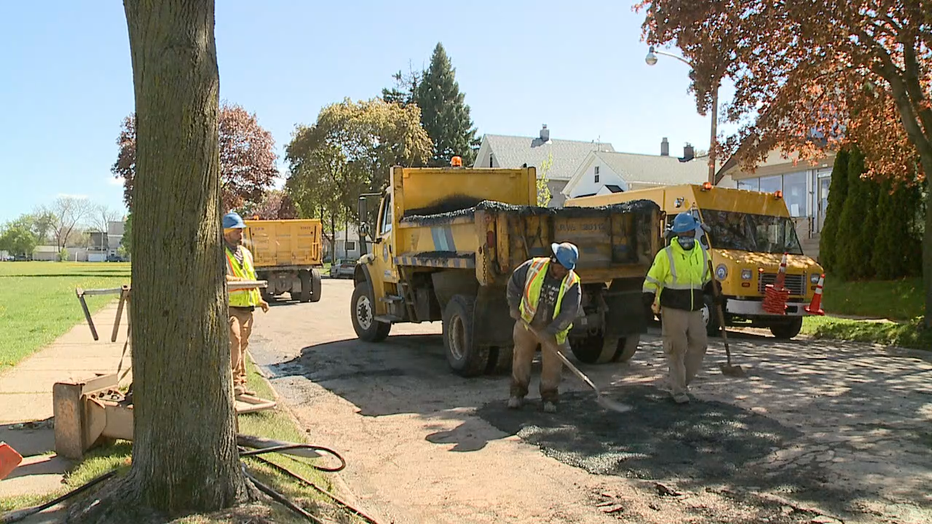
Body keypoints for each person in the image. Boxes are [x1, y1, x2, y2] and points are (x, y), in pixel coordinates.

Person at [643, 212, 719, 404]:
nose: (686, 237)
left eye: (689, 233)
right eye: (682, 234)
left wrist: (714, 289)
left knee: (700, 345)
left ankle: (681, 382)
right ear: (676, 234)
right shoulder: (666, 255)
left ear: (694, 232)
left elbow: (706, 278)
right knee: (676, 348)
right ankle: (678, 390)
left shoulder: (701, 253)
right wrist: (647, 297)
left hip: (694, 308)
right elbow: (653, 278)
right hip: (673, 309)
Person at [505, 242, 581, 413]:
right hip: (527, 324)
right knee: (520, 359)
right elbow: (513, 284)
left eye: (566, 269)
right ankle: (517, 393)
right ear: (553, 261)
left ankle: (549, 397)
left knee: (552, 365)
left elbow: (569, 313)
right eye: (561, 268)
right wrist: (513, 306)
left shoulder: (572, 283)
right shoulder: (533, 267)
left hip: (553, 331)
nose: (563, 272)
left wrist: (549, 332)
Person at [223, 212, 269, 398]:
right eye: (236, 231)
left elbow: (252, 279)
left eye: (241, 231)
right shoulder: (220, 254)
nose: (241, 234)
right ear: (226, 233)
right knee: (234, 341)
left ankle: (241, 382)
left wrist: (260, 300)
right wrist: (239, 280)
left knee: (243, 345)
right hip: (230, 306)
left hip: (247, 308)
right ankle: (234, 383)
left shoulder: (246, 254)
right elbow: (221, 277)